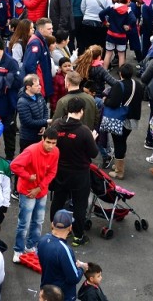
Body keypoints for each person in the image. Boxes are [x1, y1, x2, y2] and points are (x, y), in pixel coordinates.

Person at [48, 97, 98, 246]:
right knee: (79, 204)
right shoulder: (84, 131)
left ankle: (55, 228)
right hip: (79, 174)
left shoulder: (57, 125)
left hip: (60, 171)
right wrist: (93, 139)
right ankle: (78, 236)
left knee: (58, 200)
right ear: (81, 111)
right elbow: (93, 153)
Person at [10, 129, 59, 263]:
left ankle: (31, 246)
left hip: (40, 191)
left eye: (53, 143)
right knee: (24, 223)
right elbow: (14, 165)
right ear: (42, 139)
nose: (50, 146)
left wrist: (39, 188)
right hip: (27, 191)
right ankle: (18, 250)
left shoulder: (56, 152)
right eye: (48, 142)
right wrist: (28, 176)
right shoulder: (31, 151)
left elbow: (52, 172)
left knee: (38, 221)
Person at [38, 210, 88, 301]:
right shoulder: (64, 250)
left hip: (46, 291)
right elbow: (74, 278)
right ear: (70, 228)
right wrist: (82, 268)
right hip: (62, 296)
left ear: (52, 224)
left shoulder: (43, 240)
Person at [18, 74, 54, 154]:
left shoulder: (39, 95)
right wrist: (46, 122)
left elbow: (45, 110)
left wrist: (44, 126)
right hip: (28, 138)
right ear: (28, 87)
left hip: (39, 136)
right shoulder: (22, 102)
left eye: (39, 84)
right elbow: (28, 122)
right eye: (37, 85)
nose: (40, 87)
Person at [22, 17, 54, 99]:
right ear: (41, 29)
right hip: (40, 86)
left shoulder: (41, 40)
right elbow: (29, 65)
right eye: (49, 29)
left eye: (52, 28)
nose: (52, 31)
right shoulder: (36, 43)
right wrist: (37, 84)